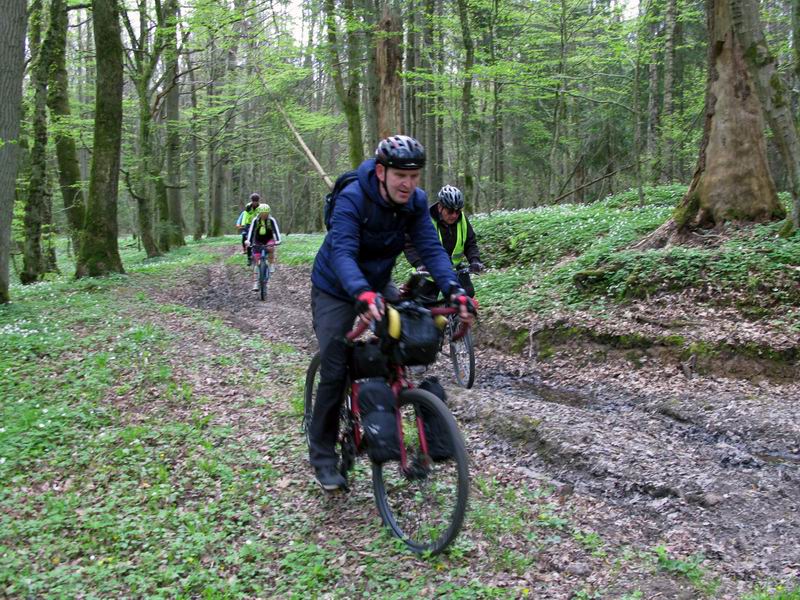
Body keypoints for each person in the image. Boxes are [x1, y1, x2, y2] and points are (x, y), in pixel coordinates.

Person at [308, 134, 477, 490]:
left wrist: (455, 290)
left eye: (415, 176)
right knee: (336, 366)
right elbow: (342, 253)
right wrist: (362, 293)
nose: (408, 183)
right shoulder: (354, 198)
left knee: (403, 343)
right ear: (382, 171)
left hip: (377, 281)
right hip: (335, 287)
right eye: (401, 175)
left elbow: (431, 249)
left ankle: (381, 414)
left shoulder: (414, 202)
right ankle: (322, 454)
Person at [404, 184, 483, 297]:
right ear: (440, 207)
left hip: (455, 270)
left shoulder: (463, 220)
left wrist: (474, 260)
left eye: (458, 211)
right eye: (450, 211)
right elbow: (409, 244)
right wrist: (419, 264)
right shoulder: (425, 219)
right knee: (425, 307)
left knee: (466, 297)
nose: (454, 215)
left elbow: (470, 243)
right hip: (429, 272)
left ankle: (456, 314)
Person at [244, 204, 281, 290]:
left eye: (266, 213)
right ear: (259, 213)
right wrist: (248, 241)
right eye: (262, 213)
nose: (264, 215)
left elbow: (276, 230)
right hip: (257, 240)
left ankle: (271, 264)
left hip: (269, 239)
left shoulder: (271, 220)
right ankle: (256, 283)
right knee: (256, 261)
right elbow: (251, 231)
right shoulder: (255, 220)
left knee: (270, 248)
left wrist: (279, 240)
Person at [236, 193, 261, 264]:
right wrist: (243, 225)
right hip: (248, 224)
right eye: (254, 201)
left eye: (256, 201)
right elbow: (245, 216)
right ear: (251, 201)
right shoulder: (248, 207)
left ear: (258, 201)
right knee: (248, 239)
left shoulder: (260, 207)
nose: (255, 202)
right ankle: (249, 258)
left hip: (257, 223)